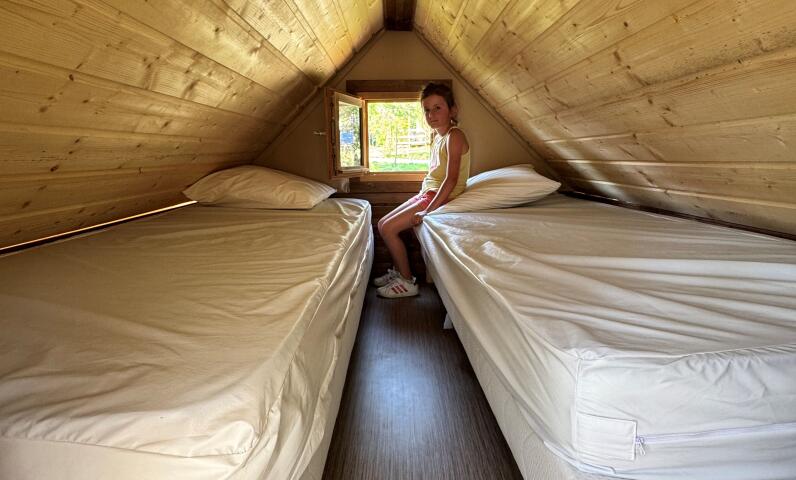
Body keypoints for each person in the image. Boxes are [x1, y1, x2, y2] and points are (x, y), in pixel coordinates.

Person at [374, 82, 470, 298]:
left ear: (452, 110)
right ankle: (399, 271)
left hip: (440, 196)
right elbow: (435, 175)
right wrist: (420, 197)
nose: (431, 114)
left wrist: (428, 211)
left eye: (438, 108)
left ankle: (407, 282)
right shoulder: (437, 137)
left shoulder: (455, 136)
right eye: (427, 110)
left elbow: (451, 179)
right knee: (382, 224)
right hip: (428, 193)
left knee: (388, 229)